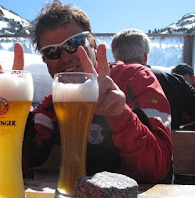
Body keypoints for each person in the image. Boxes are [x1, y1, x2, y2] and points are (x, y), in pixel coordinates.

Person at [14, 0, 172, 183]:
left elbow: (157, 169)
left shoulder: (135, 78)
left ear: (93, 45)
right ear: (45, 61)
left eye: (75, 43)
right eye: (52, 52)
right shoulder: (54, 103)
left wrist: (120, 115)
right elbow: (31, 154)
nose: (65, 57)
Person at [111, 28, 195, 130]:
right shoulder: (173, 82)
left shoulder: (104, 82)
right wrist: (179, 132)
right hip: (169, 144)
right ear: (145, 56)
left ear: (115, 56)